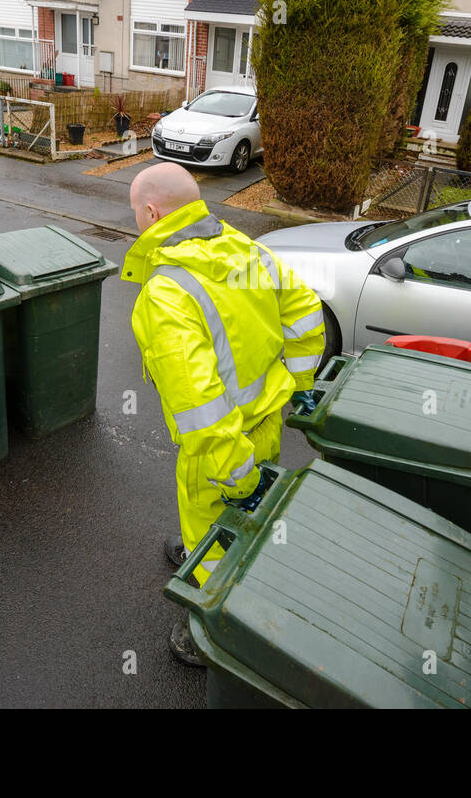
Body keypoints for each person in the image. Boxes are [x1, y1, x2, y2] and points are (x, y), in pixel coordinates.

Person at [124, 162, 324, 666]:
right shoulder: (245, 248)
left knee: (216, 527)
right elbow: (304, 309)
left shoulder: (166, 292)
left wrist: (236, 474)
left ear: (151, 212)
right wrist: (298, 386)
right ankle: (213, 555)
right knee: (248, 516)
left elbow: (200, 407)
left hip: (221, 449)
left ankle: (213, 629)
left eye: (135, 214)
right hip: (267, 421)